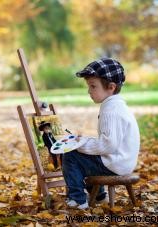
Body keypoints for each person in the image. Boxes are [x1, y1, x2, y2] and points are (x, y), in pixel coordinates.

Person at [62, 58, 140, 209]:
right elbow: (108, 143)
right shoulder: (116, 105)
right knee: (88, 156)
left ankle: (78, 199)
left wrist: (80, 144)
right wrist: (85, 142)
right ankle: (99, 195)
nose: (89, 91)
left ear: (111, 87)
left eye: (93, 86)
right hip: (122, 160)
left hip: (116, 163)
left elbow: (107, 145)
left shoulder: (111, 111)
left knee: (71, 156)